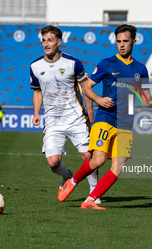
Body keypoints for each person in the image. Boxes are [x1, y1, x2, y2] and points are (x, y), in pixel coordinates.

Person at [58, 24, 152, 210]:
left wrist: (150, 103)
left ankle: (90, 200)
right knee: (98, 161)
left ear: (134, 42)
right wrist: (99, 99)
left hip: (126, 123)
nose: (121, 45)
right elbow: (86, 86)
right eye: (118, 41)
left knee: (118, 167)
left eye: (125, 41)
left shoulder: (141, 69)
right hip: (105, 118)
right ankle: (72, 181)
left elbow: (145, 94)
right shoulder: (107, 63)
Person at [30, 25, 100, 202]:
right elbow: (37, 91)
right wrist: (36, 113)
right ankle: (67, 176)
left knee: (88, 156)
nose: (46, 44)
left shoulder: (72, 63)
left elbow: (86, 87)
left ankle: (93, 193)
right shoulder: (35, 66)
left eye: (50, 40)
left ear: (59, 42)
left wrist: (90, 112)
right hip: (53, 121)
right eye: (44, 40)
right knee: (53, 162)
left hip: (76, 118)